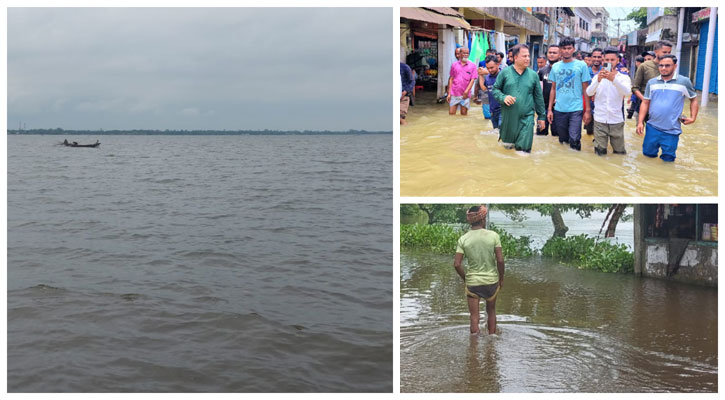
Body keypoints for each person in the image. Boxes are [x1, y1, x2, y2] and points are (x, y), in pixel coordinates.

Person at [636, 55, 698, 162]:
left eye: (667, 65)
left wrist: (693, 117)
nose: (664, 68)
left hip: (672, 130)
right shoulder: (652, 82)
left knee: (668, 160)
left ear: (675, 66)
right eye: (661, 65)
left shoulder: (684, 82)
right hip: (652, 127)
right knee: (647, 156)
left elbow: (693, 99)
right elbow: (645, 102)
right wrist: (640, 122)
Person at [453, 205, 505, 335]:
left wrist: (466, 279)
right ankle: (492, 340)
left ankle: (474, 348)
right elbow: (500, 260)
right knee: (491, 311)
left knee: (474, 316)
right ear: (483, 220)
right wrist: (501, 278)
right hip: (491, 281)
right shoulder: (494, 236)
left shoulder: (463, 239)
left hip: (473, 283)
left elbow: (457, 264)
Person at [492, 44, 546, 153]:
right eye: (524, 56)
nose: (527, 59)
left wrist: (541, 116)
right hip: (509, 119)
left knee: (524, 152)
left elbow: (538, 97)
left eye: (528, 56)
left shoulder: (533, 75)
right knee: (507, 149)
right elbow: (495, 90)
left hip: (527, 117)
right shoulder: (504, 73)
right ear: (515, 58)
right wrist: (503, 97)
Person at [547, 37, 592, 151]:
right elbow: (553, 89)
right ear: (560, 50)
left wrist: (587, 111)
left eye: (569, 48)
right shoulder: (556, 66)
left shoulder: (582, 66)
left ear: (573, 49)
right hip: (559, 109)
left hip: (576, 108)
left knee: (574, 139)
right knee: (562, 140)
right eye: (564, 48)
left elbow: (585, 88)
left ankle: (576, 163)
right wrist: (549, 109)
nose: (566, 51)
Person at [586, 48, 632, 155]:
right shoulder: (597, 76)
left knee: (619, 151)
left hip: (616, 120)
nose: (609, 62)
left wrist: (614, 79)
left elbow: (627, 92)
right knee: (599, 152)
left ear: (617, 61)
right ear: (603, 61)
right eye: (607, 59)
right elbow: (589, 92)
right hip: (600, 119)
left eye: (612, 59)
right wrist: (598, 81)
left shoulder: (623, 77)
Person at [632, 41, 672, 123]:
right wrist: (645, 100)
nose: (667, 54)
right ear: (656, 52)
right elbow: (635, 88)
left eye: (669, 52)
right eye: (664, 52)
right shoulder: (644, 66)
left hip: (663, 108)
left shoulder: (670, 67)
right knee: (644, 132)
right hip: (646, 107)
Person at [537, 44, 560, 136]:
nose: (552, 54)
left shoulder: (563, 70)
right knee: (540, 134)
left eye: (554, 53)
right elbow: (538, 89)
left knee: (557, 136)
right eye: (550, 52)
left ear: (560, 54)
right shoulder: (542, 71)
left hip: (558, 108)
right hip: (543, 108)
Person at [446, 47, 477, 116]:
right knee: (451, 113)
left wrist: (467, 91)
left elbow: (472, 80)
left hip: (465, 95)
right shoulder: (454, 65)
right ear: (459, 54)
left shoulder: (473, 66)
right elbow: (451, 79)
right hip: (454, 93)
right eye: (464, 53)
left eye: (467, 53)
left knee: (463, 114)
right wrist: (449, 93)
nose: (466, 55)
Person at [584, 48, 604, 135]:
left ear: (602, 58)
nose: (596, 59)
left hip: (601, 106)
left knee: (600, 133)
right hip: (588, 104)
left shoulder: (606, 71)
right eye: (594, 57)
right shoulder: (585, 71)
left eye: (599, 57)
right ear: (591, 57)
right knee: (589, 131)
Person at [479, 55, 502, 130]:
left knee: (502, 131)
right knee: (496, 132)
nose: (490, 70)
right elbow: (484, 88)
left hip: (504, 110)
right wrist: (480, 74)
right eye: (488, 68)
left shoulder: (504, 75)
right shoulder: (488, 77)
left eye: (492, 67)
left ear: (498, 64)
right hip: (493, 110)